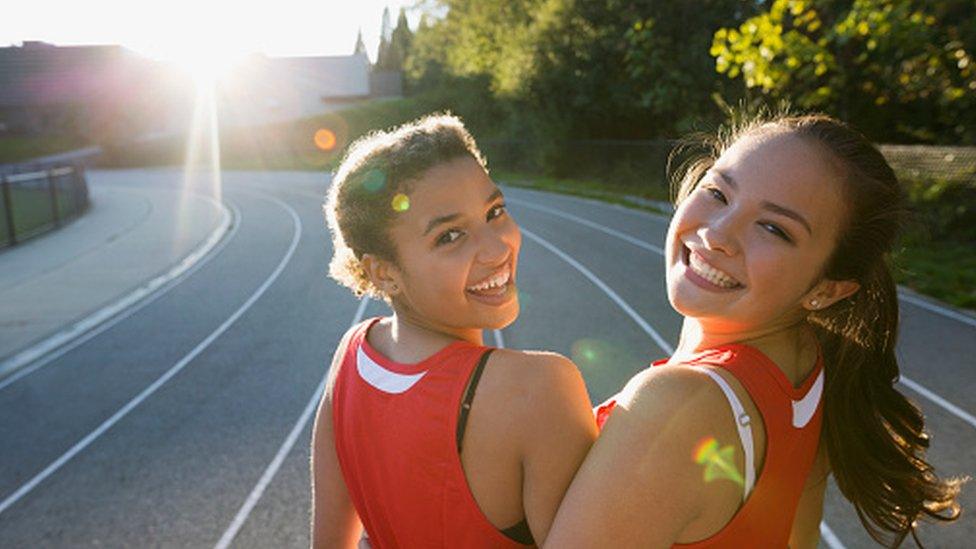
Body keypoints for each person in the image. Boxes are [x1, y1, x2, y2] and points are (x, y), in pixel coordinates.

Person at [545, 114, 963, 548]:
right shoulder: (809, 366)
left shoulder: (679, 406)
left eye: (773, 228)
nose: (718, 234)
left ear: (827, 289)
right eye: (717, 192)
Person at [311, 114, 597, 548]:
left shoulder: (352, 357)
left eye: (494, 212)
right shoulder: (539, 389)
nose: (497, 247)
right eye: (450, 236)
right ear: (384, 272)